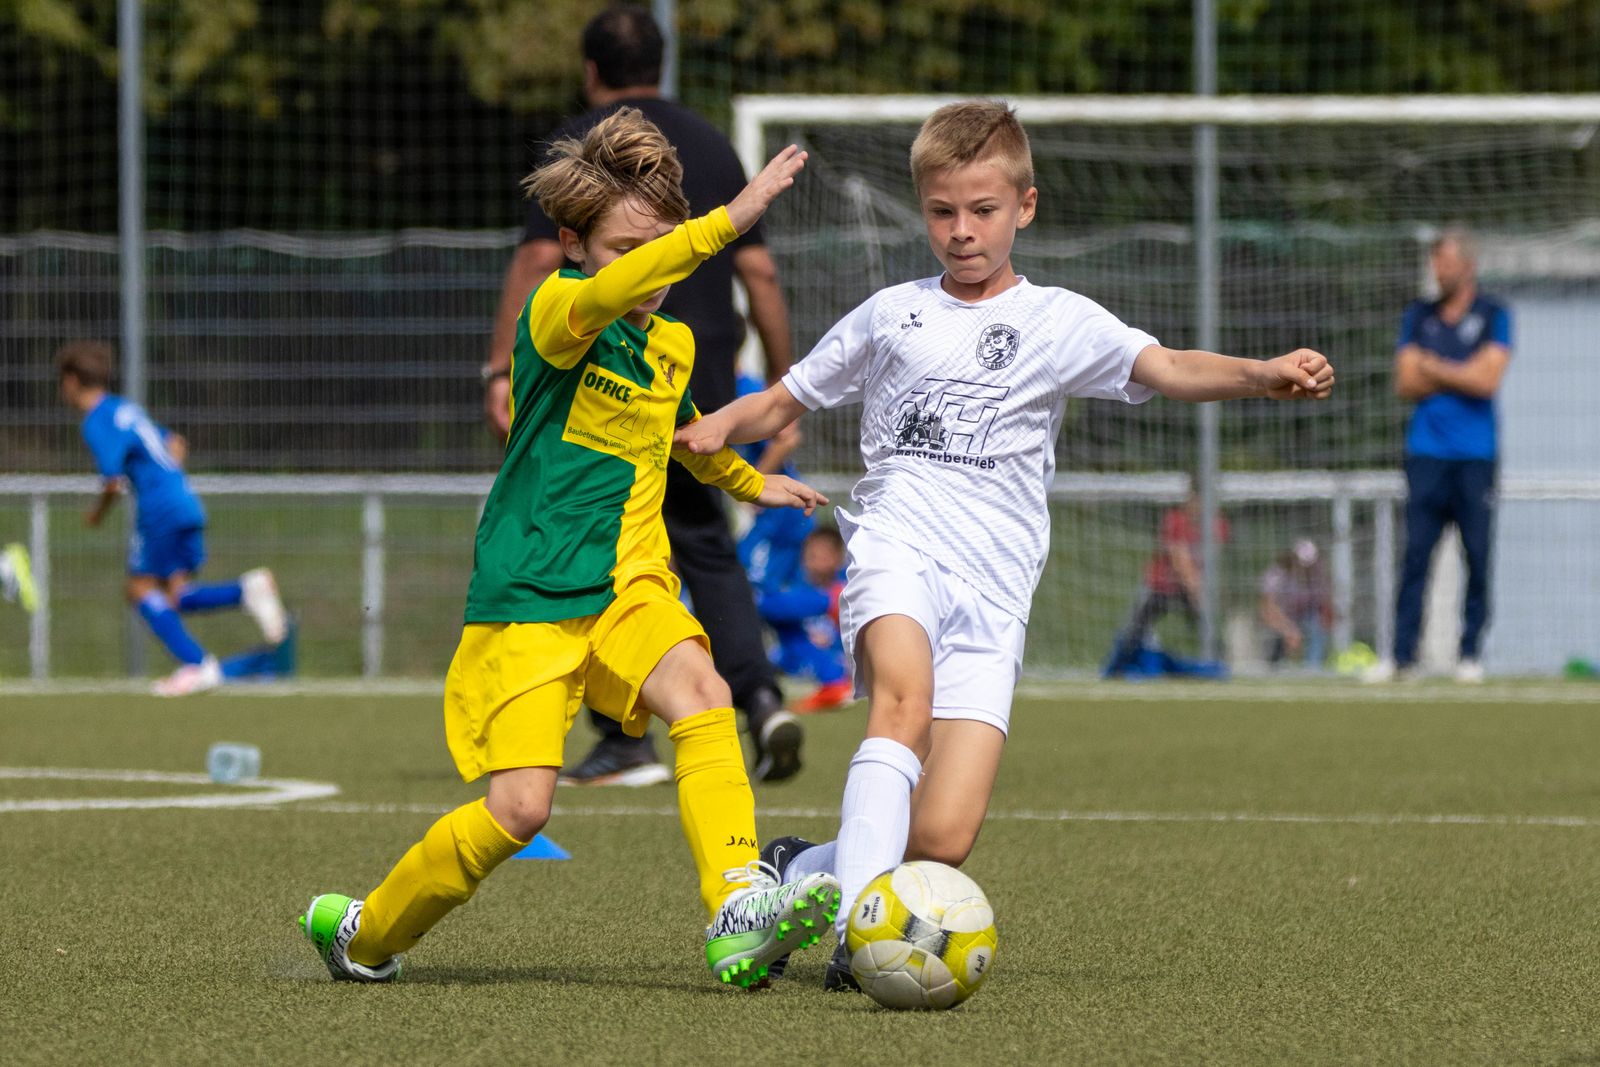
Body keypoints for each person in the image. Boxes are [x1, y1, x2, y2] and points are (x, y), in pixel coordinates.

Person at [676, 100, 1334, 990]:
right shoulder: (892, 314)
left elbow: (1170, 366)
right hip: (899, 548)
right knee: (901, 705)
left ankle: (798, 868)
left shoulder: (1059, 319)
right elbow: (786, 398)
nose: (961, 230)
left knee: (942, 835)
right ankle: (857, 932)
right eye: (942, 211)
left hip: (994, 591)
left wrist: (1262, 374)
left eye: (982, 210)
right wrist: (717, 424)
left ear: (1025, 206)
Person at [298, 110, 840, 988]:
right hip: (532, 594)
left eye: (657, 248)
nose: (645, 271)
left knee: (704, 691)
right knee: (519, 809)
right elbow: (611, 293)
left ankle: (739, 906)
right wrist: (729, 221)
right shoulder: (556, 309)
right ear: (573, 244)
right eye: (625, 251)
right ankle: (364, 934)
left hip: (630, 584)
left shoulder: (672, 343)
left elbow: (680, 433)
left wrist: (751, 483)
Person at [483, 5, 802, 785]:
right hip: (705, 366)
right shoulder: (712, 144)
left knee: (590, 533)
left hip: (623, 377)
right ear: (661, 63)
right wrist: (781, 384)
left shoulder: (581, 154)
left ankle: (624, 736)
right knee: (706, 543)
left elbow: (535, 262)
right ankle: (760, 698)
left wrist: (500, 369)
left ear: (590, 69)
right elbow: (759, 273)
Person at [57, 342, 290, 695]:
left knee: (138, 590)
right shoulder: (125, 409)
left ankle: (198, 665)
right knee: (175, 596)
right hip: (184, 499)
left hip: (159, 509)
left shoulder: (96, 421)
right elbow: (177, 444)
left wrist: (96, 515)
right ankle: (247, 590)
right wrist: (165, 478)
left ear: (72, 381)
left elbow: (113, 482)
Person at [1367, 227, 1510, 684]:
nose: (1438, 271)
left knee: (1478, 556)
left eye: (1445, 263)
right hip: (1426, 454)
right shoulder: (1418, 314)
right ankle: (1401, 656)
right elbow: (1405, 381)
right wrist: (1461, 371)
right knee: (1415, 557)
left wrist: (1431, 366)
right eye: (1435, 263)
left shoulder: (1494, 314)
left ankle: (1469, 655)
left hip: (1476, 456)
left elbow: (1487, 381)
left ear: (1467, 266)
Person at [1104, 487, 1229, 676]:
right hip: (1161, 585)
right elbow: (1180, 561)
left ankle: (1219, 664)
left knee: (1209, 626)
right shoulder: (1176, 521)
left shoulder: (1218, 525)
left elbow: (1212, 563)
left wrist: (1206, 592)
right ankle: (1116, 668)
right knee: (1135, 629)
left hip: (1191, 587)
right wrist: (1197, 592)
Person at [751, 526, 853, 713]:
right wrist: (827, 601)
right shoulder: (795, 586)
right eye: (812, 555)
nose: (817, 562)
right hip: (793, 659)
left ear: (838, 558)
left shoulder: (849, 587)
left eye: (825, 556)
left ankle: (834, 688)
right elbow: (769, 606)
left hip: (839, 659)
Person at [1259, 538, 1334, 668]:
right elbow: (1267, 609)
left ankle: (1313, 668)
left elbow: (1324, 604)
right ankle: (1275, 667)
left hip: (1306, 617)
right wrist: (1288, 629)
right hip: (1281, 617)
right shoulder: (1276, 575)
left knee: (1316, 627)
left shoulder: (1317, 574)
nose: (1306, 568)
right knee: (1279, 640)